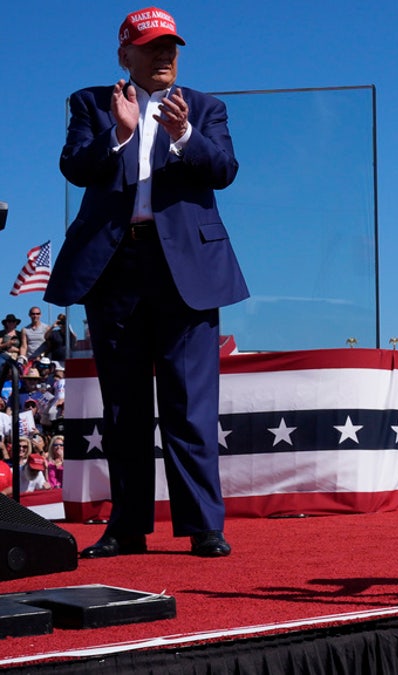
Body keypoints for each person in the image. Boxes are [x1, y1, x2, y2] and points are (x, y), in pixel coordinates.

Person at [48, 7, 247, 559]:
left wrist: (184, 136)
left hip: (187, 272)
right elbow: (76, 167)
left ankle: (204, 525)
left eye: (172, 46)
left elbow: (225, 171)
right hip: (116, 271)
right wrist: (119, 131)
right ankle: (127, 525)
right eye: (154, 46)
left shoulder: (204, 107)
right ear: (124, 55)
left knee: (190, 406)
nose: (166, 55)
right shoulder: (92, 102)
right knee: (124, 409)